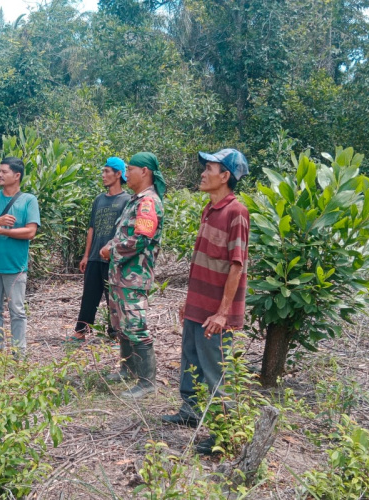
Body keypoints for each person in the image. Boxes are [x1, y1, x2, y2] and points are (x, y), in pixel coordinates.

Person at [161, 148, 250, 455]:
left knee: (215, 371)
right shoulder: (209, 209)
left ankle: (224, 434)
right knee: (191, 360)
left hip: (216, 312)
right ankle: (190, 412)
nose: (203, 173)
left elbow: (237, 265)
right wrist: (190, 301)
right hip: (199, 306)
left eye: (209, 168)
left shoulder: (236, 212)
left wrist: (223, 313)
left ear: (225, 176)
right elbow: (203, 261)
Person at [100, 152, 166, 399]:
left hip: (134, 276)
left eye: (131, 168)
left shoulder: (148, 202)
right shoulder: (136, 200)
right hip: (121, 274)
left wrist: (111, 249)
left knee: (136, 325)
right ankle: (127, 370)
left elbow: (140, 239)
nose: (127, 173)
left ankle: (147, 381)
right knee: (122, 324)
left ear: (145, 172)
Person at [0, 157, 40, 357]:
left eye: (4, 172)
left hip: (15, 267)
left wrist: (2, 231)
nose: (0, 175)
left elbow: (30, 232)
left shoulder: (29, 200)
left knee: (17, 311)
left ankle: (19, 353)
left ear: (17, 175)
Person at [70, 157, 131, 342]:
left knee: (113, 297)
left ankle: (116, 334)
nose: (103, 175)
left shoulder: (127, 200)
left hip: (112, 258)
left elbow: (125, 231)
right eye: (103, 171)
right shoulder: (99, 200)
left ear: (118, 174)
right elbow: (92, 228)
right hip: (95, 257)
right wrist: (86, 255)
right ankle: (81, 331)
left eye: (107, 171)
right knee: (89, 296)